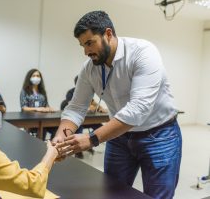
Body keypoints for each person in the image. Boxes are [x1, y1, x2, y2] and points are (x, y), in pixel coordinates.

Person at [53, 11, 182, 199]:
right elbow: (76, 107)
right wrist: (61, 137)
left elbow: (137, 110)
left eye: (90, 43)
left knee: (157, 196)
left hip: (159, 135)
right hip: (119, 136)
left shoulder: (143, 52)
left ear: (108, 34)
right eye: (82, 45)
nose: (86, 51)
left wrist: (91, 139)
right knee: (112, 193)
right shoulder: (89, 68)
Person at [61, 75, 107, 158]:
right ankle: (78, 150)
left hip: (88, 119)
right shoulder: (71, 92)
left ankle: (89, 144)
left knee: (100, 127)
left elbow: (94, 103)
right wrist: (89, 108)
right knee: (79, 127)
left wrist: (100, 108)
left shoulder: (88, 92)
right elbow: (72, 105)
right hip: (78, 120)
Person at [20, 69, 56, 140]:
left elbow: (46, 105)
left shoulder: (42, 91)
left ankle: (51, 148)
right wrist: (37, 109)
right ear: (29, 78)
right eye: (33, 75)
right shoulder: (25, 91)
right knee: (35, 137)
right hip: (30, 119)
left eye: (38, 76)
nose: (36, 77)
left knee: (55, 130)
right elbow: (24, 107)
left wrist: (49, 108)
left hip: (43, 119)